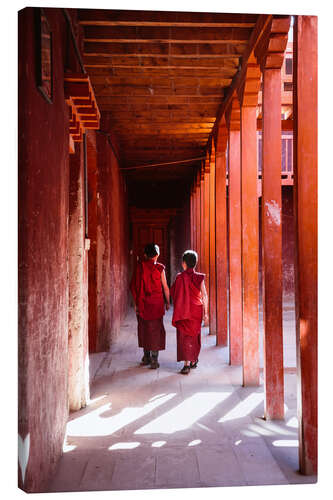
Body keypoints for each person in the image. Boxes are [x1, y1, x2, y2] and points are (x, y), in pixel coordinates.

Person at [130, 243, 170, 369]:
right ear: (157, 255)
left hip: (143, 303)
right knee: (155, 330)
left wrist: (135, 304)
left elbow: (134, 287)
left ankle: (146, 357)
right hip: (157, 305)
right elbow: (165, 288)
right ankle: (154, 360)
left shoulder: (139, 268)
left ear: (145, 255)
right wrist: (168, 302)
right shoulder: (160, 268)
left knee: (144, 329)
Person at [170, 250, 208, 375]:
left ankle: (186, 364)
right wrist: (206, 312)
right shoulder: (199, 277)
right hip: (196, 311)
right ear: (195, 264)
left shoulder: (180, 278)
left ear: (184, 264)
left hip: (183, 311)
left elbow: (174, 294)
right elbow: (205, 296)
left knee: (184, 337)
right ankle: (193, 360)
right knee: (194, 336)